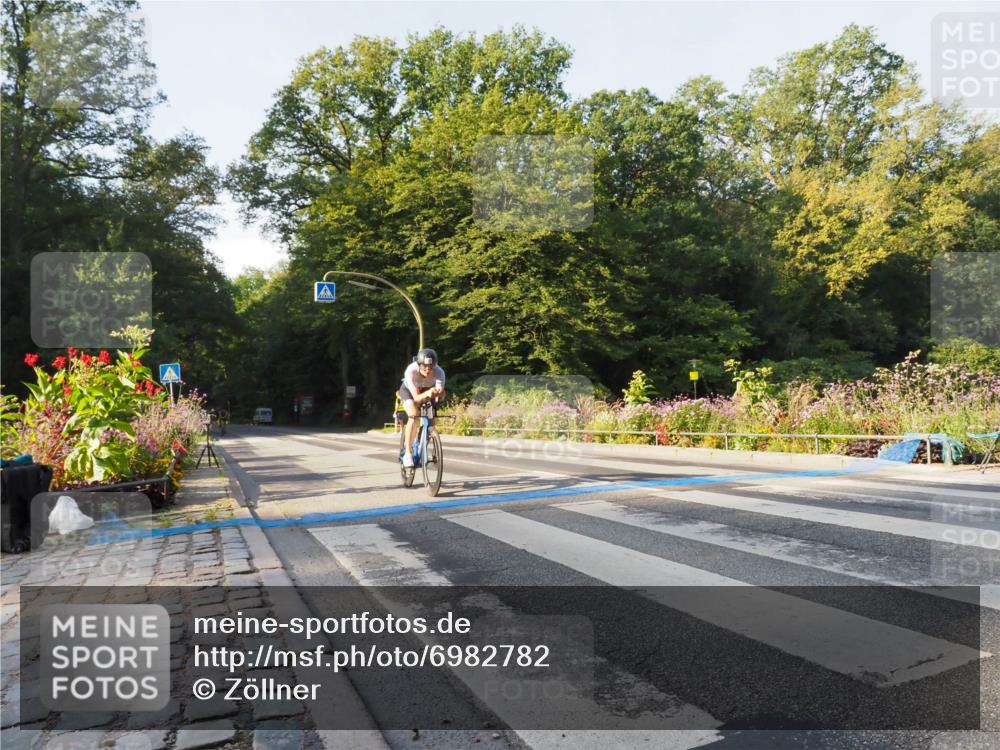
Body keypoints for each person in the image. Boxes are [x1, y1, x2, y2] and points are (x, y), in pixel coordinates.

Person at [399, 348, 446, 468]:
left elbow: (440, 394)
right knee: (414, 415)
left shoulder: (439, 372)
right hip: (410, 392)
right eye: (425, 366)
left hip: (427, 392)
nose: (428, 369)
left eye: (431, 366)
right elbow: (416, 398)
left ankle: (421, 444)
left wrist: (440, 394)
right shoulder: (411, 371)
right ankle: (408, 454)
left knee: (430, 423)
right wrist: (429, 393)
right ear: (419, 364)